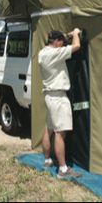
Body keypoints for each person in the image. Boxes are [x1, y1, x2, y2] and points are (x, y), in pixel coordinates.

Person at [38, 28, 81, 178]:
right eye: (61, 42)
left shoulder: (43, 53)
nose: (63, 45)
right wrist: (75, 34)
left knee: (49, 128)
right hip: (58, 98)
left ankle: (47, 160)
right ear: (56, 42)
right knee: (60, 133)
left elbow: (63, 46)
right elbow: (76, 46)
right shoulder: (54, 54)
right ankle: (63, 169)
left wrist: (65, 36)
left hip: (50, 96)